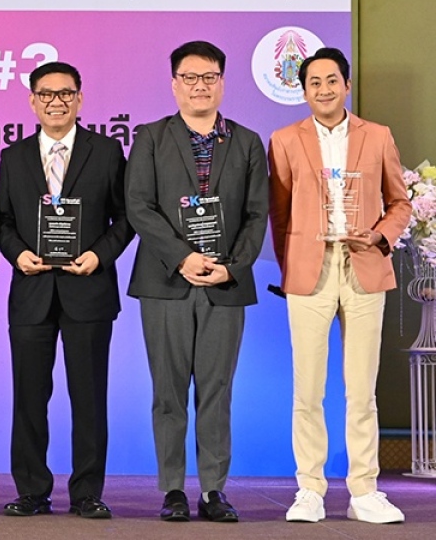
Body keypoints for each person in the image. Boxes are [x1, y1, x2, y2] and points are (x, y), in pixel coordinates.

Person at [125, 40, 268, 523]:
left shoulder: (247, 142)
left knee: (216, 389)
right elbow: (138, 205)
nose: (199, 86)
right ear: (174, 85)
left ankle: (212, 490)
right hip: (166, 280)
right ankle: (172, 489)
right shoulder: (151, 137)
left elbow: (257, 213)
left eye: (209, 77)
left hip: (225, 283)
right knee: (167, 392)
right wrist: (183, 257)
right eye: (190, 77)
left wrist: (234, 266)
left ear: (222, 83)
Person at [268, 47, 411, 524]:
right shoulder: (284, 140)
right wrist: (292, 264)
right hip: (309, 273)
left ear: (346, 86)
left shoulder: (378, 136)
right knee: (308, 390)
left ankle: (364, 490)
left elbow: (399, 203)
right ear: (303, 91)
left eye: (332, 81)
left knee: (361, 390)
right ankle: (309, 488)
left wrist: (380, 236)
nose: (324, 90)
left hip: (365, 266)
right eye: (314, 83)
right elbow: (279, 213)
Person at [0, 62, 133, 519]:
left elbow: (127, 216)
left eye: (65, 93)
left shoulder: (107, 151)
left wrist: (99, 255)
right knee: (29, 397)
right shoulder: (13, 156)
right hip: (32, 291)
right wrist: (17, 254)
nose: (56, 102)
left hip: (88, 289)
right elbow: (1, 221)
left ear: (79, 98)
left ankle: (87, 492)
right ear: (32, 101)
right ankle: (32, 490)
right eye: (46, 94)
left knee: (89, 397)